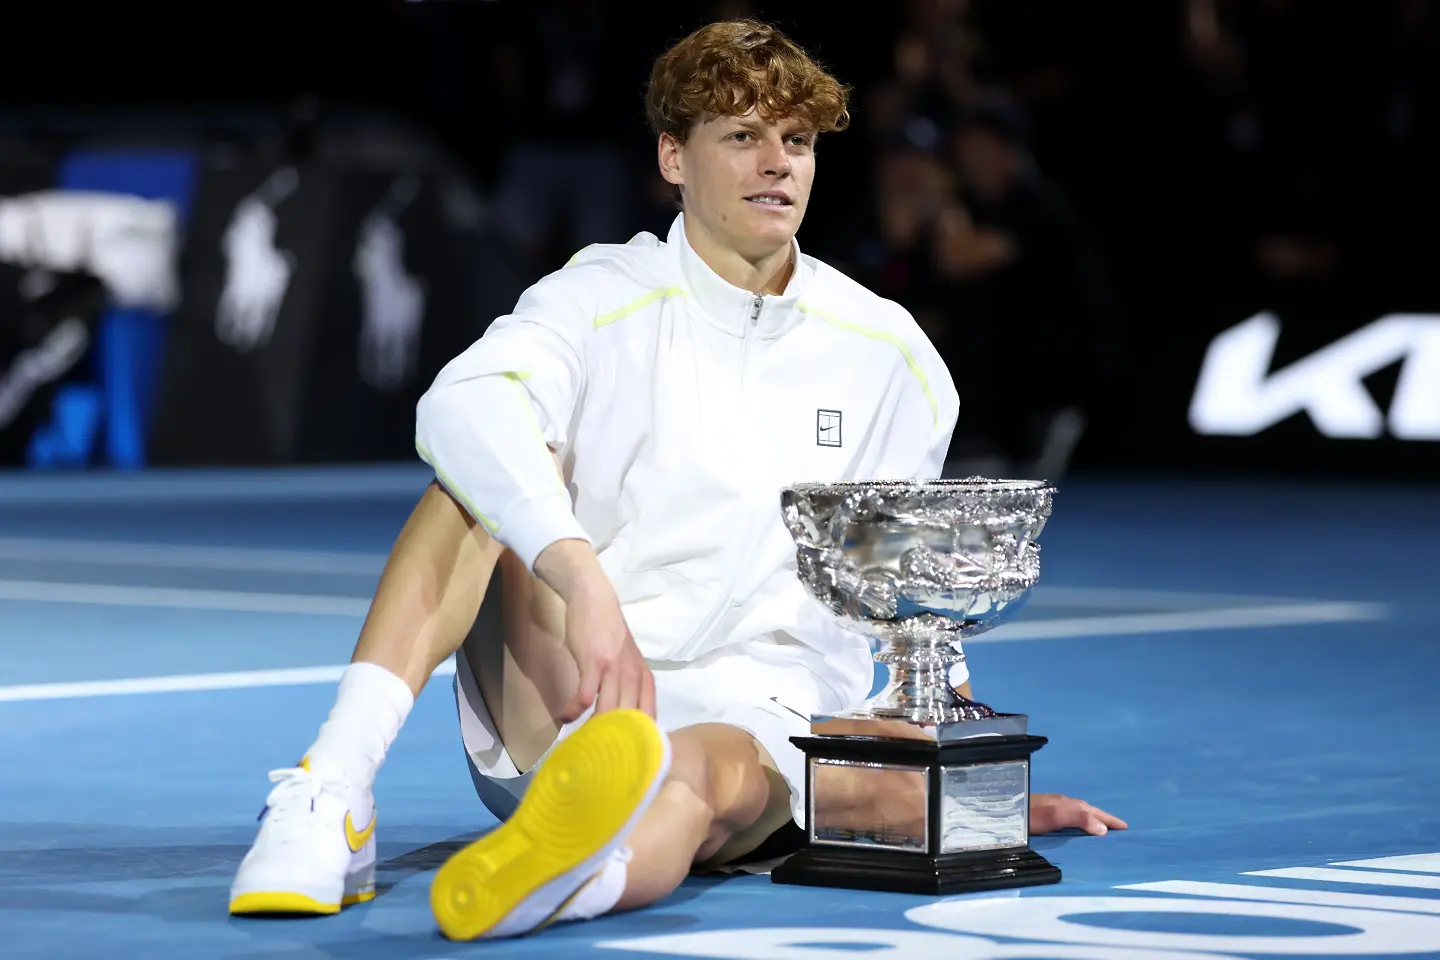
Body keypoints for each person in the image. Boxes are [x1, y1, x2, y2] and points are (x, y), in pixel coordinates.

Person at [227, 19, 1127, 941]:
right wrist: (579, 576)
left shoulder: (889, 354)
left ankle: (565, 879)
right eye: (743, 136)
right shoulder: (598, 295)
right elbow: (457, 407)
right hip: (569, 683)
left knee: (692, 778)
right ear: (672, 157)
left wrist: (955, 783)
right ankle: (332, 788)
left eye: (799, 142)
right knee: (476, 473)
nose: (778, 162)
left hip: (762, 709)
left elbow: (903, 596)